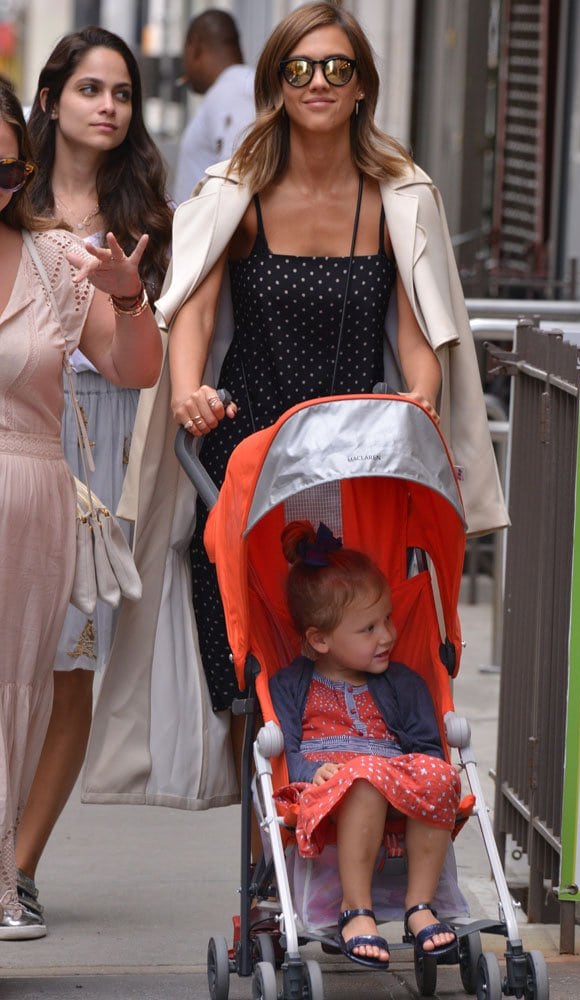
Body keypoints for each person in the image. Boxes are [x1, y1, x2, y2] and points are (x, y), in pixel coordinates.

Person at [80, 1, 507, 815]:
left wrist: (421, 400)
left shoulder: (397, 197)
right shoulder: (236, 191)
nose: (318, 82)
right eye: (300, 68)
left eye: (337, 69)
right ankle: (272, 847)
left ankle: (345, 832)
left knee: (351, 650)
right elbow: (194, 310)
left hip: (352, 459)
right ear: (275, 83)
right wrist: (189, 389)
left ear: (361, 88)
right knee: (255, 666)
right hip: (246, 457)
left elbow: (421, 325)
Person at [14, 27, 172, 927]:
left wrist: (126, 290)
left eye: (120, 92)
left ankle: (21, 868)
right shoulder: (11, 200)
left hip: (98, 448)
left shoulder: (146, 216)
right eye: (89, 89)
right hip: (14, 426)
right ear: (50, 99)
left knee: (70, 664)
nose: (107, 105)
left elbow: (142, 362)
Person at [269, 520, 459, 968]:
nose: (388, 636)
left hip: (395, 779)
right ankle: (356, 911)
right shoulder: (291, 684)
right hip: (330, 790)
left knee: (441, 772)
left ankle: (420, 906)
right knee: (365, 779)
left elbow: (426, 745)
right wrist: (306, 772)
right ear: (319, 639)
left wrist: (424, 776)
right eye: (369, 628)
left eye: (388, 619)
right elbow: (287, 749)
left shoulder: (403, 683)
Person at [173, 9, 255, 204]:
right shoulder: (237, 86)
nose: (185, 67)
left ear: (195, 48)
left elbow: (235, 180)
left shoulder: (233, 89)